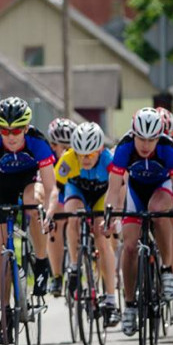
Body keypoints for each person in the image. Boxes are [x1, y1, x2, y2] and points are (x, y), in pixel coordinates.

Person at [0, 97, 56, 345]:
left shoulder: (37, 140)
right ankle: (6, 312)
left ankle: (41, 262)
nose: (10, 136)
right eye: (5, 130)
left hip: (31, 182)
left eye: (17, 130)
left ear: (26, 126)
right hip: (2, 187)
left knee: (33, 204)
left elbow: (52, 188)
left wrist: (50, 211)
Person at [103, 108, 173, 336]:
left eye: (151, 139)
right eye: (142, 138)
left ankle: (167, 270)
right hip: (136, 191)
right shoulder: (125, 147)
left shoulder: (169, 148)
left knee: (158, 210)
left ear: (159, 137)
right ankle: (129, 305)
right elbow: (113, 188)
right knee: (129, 246)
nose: (146, 145)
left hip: (162, 188)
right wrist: (109, 215)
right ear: (134, 134)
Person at [53, 123, 120, 327]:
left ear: (100, 149)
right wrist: (51, 215)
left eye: (90, 155)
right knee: (73, 216)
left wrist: (113, 216)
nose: (85, 159)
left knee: (101, 236)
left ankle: (110, 300)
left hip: (102, 195)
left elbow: (120, 188)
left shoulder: (109, 160)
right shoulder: (67, 160)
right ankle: (74, 266)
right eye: (81, 155)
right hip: (77, 192)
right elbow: (56, 191)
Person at [46, 117, 76, 297]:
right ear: (52, 145)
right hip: (57, 195)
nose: (64, 151)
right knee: (54, 225)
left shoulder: (76, 158)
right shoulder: (47, 158)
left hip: (74, 193)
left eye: (68, 147)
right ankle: (56, 275)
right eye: (60, 146)